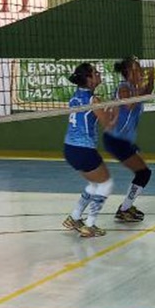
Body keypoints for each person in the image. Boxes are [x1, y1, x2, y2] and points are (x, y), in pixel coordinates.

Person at [61, 63, 118, 238]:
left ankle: (74, 217)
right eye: (95, 73)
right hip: (83, 149)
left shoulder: (76, 96)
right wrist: (117, 107)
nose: (99, 74)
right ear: (89, 78)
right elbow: (108, 125)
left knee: (95, 184)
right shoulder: (94, 101)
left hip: (70, 148)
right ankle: (90, 225)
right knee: (106, 184)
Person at [105, 57, 155, 223]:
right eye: (137, 70)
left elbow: (147, 91)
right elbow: (128, 104)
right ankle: (125, 209)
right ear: (128, 73)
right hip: (115, 140)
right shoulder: (124, 87)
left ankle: (126, 207)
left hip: (123, 141)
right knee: (144, 173)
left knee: (143, 173)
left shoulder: (134, 88)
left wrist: (152, 76)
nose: (140, 72)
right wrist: (140, 88)